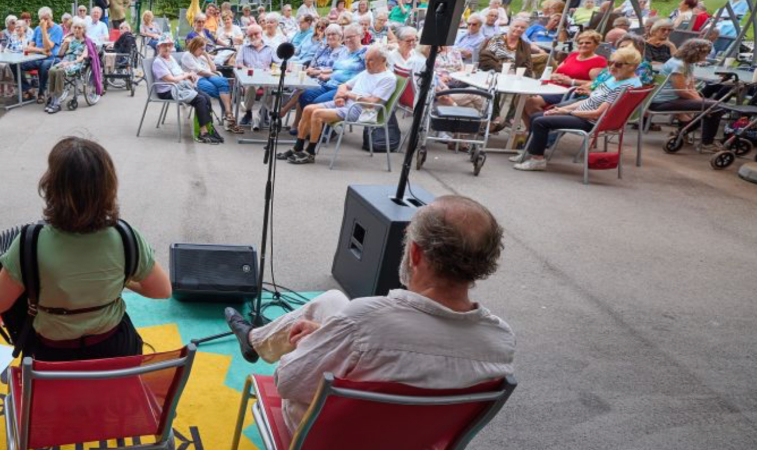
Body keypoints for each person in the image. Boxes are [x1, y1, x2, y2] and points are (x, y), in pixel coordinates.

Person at [223, 195, 514, 433]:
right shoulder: (501, 341)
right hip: (415, 439)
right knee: (333, 300)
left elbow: (288, 382)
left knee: (335, 320)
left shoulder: (364, 320)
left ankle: (257, 340)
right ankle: (255, 338)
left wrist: (310, 344)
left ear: (415, 254)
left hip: (328, 438)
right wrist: (327, 335)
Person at [0, 137, 171, 362]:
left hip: (52, 356)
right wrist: (118, 280)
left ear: (51, 185)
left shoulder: (30, 242)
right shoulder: (126, 237)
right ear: (108, 186)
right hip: (116, 352)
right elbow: (162, 290)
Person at [511, 47, 644, 171]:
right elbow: (591, 99)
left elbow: (599, 113)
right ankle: (529, 152)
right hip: (583, 113)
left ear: (632, 66)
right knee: (538, 115)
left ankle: (537, 160)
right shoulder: (617, 79)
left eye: (618, 64)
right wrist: (560, 109)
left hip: (590, 120)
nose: (612, 67)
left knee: (540, 121)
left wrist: (567, 111)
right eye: (611, 62)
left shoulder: (624, 87)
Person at [282, 46, 396, 164]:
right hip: (347, 102)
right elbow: (344, 85)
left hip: (360, 110)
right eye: (366, 59)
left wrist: (349, 95)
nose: (367, 63)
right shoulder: (366, 72)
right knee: (308, 109)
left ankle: (310, 153)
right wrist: (340, 96)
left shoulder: (388, 78)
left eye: (371, 60)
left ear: (383, 60)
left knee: (317, 114)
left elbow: (371, 102)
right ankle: (298, 148)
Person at [283, 24, 368, 133]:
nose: (348, 40)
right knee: (304, 96)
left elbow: (369, 72)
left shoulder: (365, 53)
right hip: (329, 83)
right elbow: (335, 68)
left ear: (361, 36)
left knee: (317, 102)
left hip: (345, 89)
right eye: (346, 37)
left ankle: (324, 130)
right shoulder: (345, 52)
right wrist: (324, 73)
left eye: (351, 36)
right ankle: (312, 126)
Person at [649, 39, 724, 151]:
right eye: (706, 53)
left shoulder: (687, 63)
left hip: (671, 98)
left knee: (713, 107)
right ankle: (706, 143)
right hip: (661, 101)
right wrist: (701, 102)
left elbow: (690, 87)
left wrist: (701, 102)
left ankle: (682, 132)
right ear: (697, 53)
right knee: (716, 108)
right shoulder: (678, 65)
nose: (707, 56)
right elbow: (681, 91)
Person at [522, 30, 607, 128]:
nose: (583, 45)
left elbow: (596, 83)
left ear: (596, 45)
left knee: (531, 102)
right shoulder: (573, 55)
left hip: (568, 91)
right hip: (551, 86)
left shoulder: (598, 61)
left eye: (588, 43)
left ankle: (545, 128)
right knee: (521, 99)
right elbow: (557, 70)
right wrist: (554, 76)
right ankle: (531, 132)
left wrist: (571, 81)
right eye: (581, 43)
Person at [152, 38, 224, 144]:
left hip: (179, 86)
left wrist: (189, 76)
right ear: (158, 47)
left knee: (206, 97)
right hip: (168, 90)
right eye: (164, 45)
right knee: (200, 100)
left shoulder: (170, 58)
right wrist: (186, 75)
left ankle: (209, 128)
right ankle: (202, 132)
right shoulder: (158, 62)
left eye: (169, 45)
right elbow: (171, 79)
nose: (167, 48)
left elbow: (180, 73)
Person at [180, 36, 244, 133]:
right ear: (195, 46)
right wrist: (213, 74)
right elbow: (200, 72)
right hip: (197, 80)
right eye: (201, 49)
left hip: (208, 76)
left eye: (204, 49)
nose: (203, 51)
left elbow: (214, 68)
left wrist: (206, 56)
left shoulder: (201, 56)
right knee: (223, 91)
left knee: (223, 82)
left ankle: (228, 113)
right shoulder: (187, 55)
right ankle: (229, 120)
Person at [235, 24, 281, 131]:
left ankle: (264, 111)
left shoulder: (270, 48)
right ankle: (248, 112)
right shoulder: (244, 48)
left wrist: (271, 70)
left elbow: (278, 63)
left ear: (261, 34)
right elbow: (238, 64)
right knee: (250, 87)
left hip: (266, 78)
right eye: (251, 35)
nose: (254, 37)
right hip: (250, 78)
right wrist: (247, 69)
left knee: (272, 88)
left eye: (256, 34)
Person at [42, 18, 90, 114]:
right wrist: (64, 44)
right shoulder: (70, 40)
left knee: (59, 71)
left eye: (79, 28)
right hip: (66, 60)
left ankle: (57, 102)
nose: (76, 30)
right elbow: (61, 53)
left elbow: (83, 57)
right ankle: (52, 97)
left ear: (83, 30)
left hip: (76, 63)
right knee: (51, 70)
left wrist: (71, 63)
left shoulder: (87, 42)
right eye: (75, 27)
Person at [23, 7, 65, 103]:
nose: (44, 21)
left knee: (44, 65)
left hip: (52, 59)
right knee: (16, 65)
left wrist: (44, 31)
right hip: (37, 57)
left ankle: (41, 92)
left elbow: (49, 47)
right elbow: (29, 48)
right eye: (42, 19)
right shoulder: (37, 29)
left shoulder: (57, 29)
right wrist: (41, 50)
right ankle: (28, 88)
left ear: (51, 18)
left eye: (46, 19)